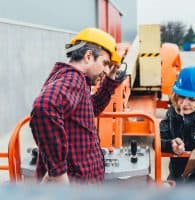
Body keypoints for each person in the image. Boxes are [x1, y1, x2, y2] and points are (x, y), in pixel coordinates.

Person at [29, 28, 125, 184]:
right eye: (105, 63)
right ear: (88, 57)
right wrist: (58, 173)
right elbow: (44, 107)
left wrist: (110, 81)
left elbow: (91, 108)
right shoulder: (73, 79)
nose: (107, 71)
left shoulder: (75, 80)